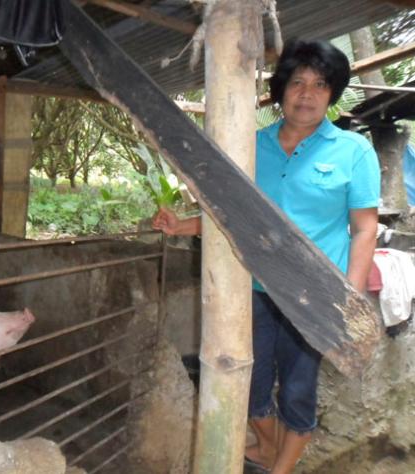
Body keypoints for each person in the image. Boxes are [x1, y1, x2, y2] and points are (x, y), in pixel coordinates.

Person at [153, 39, 380, 474]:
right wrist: (180, 225)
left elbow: (365, 228)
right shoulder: (250, 145)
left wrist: (348, 298)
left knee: (297, 390)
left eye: (320, 84)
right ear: (281, 90)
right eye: (297, 83)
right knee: (251, 389)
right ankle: (271, 450)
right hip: (251, 287)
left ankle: (279, 467)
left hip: (315, 295)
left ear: (332, 93)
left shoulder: (353, 151)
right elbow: (229, 214)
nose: (307, 94)